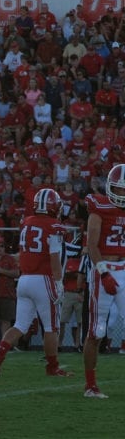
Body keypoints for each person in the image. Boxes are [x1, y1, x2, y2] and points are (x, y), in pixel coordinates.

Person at [0, 188, 70, 378]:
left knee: (20, 325)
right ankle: (52, 367)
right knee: (51, 327)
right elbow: (54, 259)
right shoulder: (54, 226)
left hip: (24, 279)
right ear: (54, 206)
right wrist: (59, 283)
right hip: (44, 279)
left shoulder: (26, 222)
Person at [79, 166, 125, 399]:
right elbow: (92, 246)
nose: (123, 192)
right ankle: (90, 385)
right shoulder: (100, 207)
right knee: (96, 332)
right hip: (103, 269)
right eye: (119, 188)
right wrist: (104, 273)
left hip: (124, 269)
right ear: (110, 186)